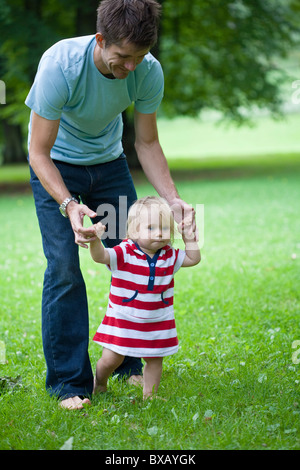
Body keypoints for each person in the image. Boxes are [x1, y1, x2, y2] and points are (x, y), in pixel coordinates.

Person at [25, 0, 196, 410]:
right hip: (57, 169)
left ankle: (127, 361)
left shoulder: (147, 70)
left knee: (136, 255)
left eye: (139, 57)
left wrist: (173, 201)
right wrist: (69, 204)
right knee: (65, 267)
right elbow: (38, 152)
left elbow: (147, 142)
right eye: (122, 57)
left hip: (110, 165)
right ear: (100, 40)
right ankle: (69, 382)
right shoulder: (61, 66)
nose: (131, 67)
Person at [90, 196, 200, 399]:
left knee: (155, 360)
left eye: (164, 229)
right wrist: (95, 240)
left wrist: (189, 237)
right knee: (111, 359)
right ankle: (100, 382)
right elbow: (100, 257)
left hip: (156, 320)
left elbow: (193, 259)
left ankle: (149, 394)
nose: (159, 233)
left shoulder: (169, 255)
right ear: (134, 232)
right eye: (150, 228)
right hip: (124, 318)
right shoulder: (124, 252)